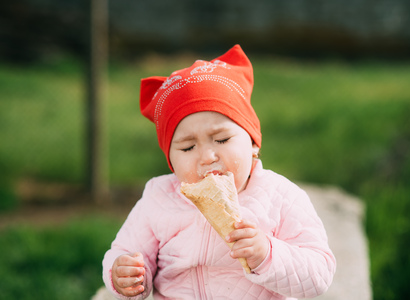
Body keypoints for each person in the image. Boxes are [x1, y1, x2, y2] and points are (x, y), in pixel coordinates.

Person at [102, 44, 336, 300]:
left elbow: (319, 272)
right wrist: (125, 274)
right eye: (188, 147)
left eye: (222, 140)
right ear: (170, 160)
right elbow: (125, 249)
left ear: (253, 143)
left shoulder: (280, 197)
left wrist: (267, 254)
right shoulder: (159, 197)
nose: (207, 156)